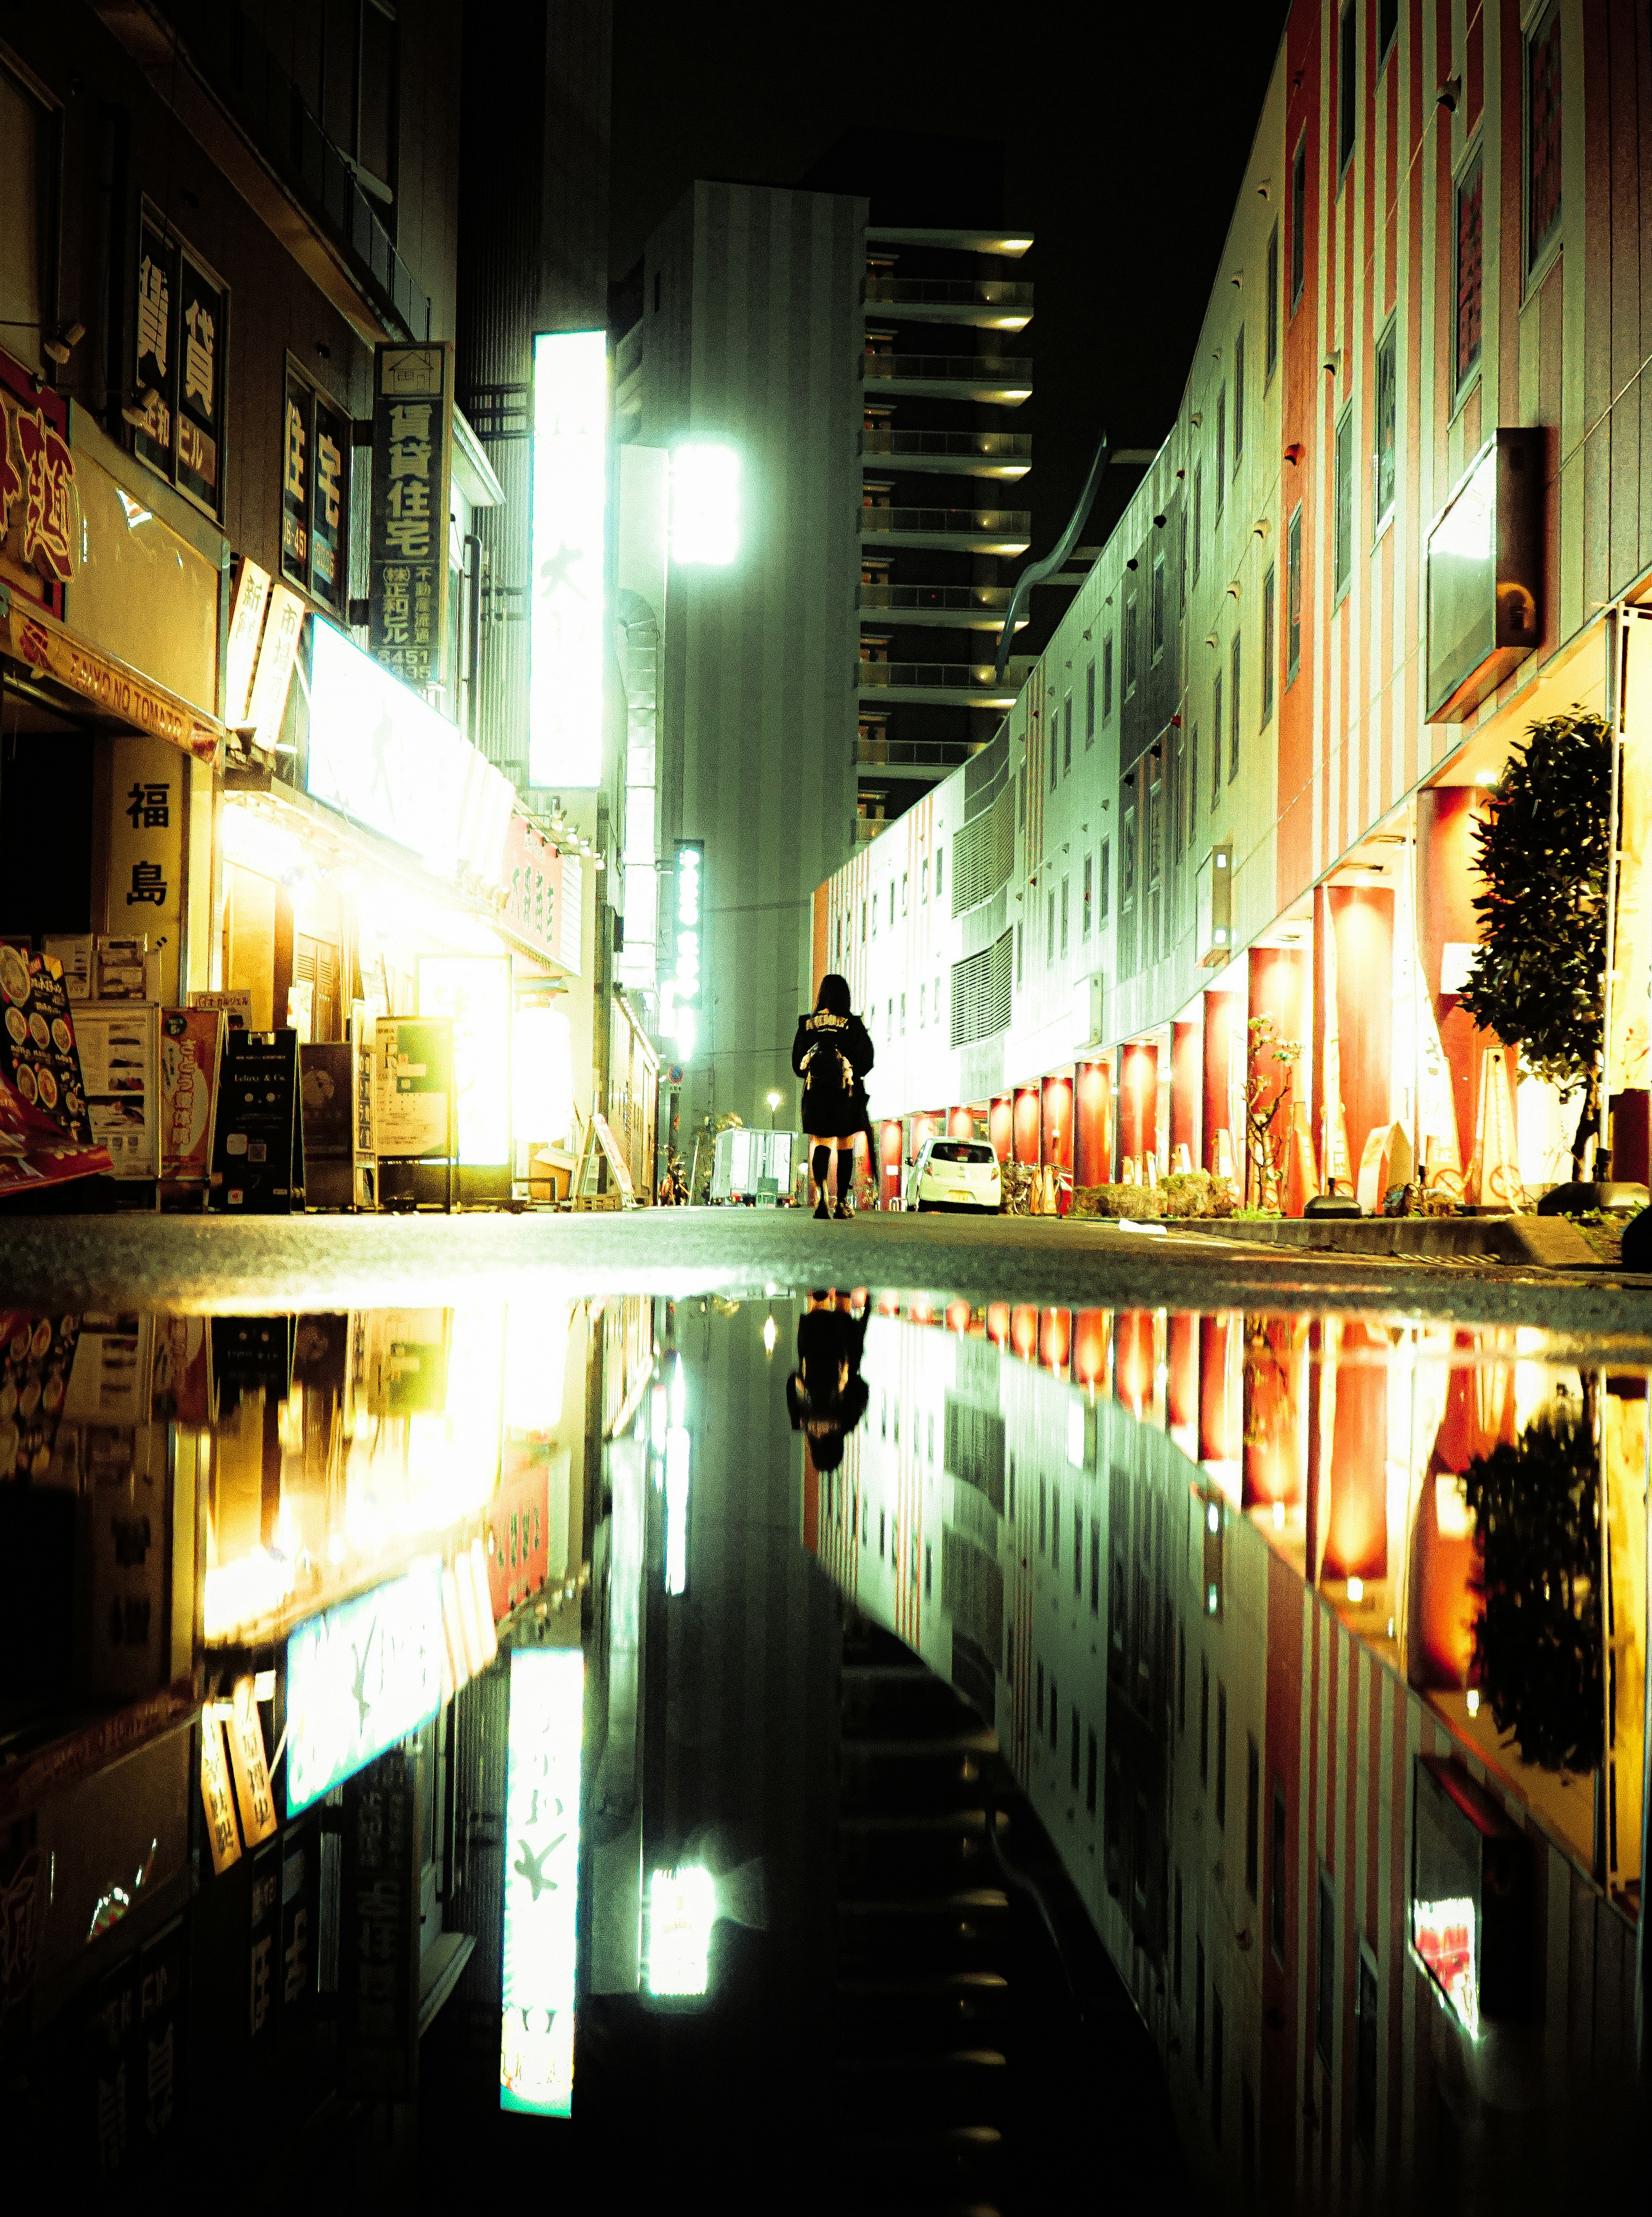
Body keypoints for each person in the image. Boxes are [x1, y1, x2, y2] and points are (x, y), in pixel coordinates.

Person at [792, 973, 874, 1220]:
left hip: (816, 1094)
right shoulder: (853, 1025)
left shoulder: (808, 1024)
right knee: (845, 1144)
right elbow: (867, 1060)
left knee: (823, 1142)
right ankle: (841, 1203)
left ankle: (822, 1197)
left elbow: (798, 1065)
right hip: (845, 1096)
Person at [785, 1289, 870, 1472]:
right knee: (819, 1303)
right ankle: (821, 1280)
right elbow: (792, 1384)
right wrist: (800, 1381)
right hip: (814, 1353)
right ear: (814, 1451)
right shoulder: (802, 1422)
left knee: (842, 1303)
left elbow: (862, 1390)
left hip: (842, 1356)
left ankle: (842, 1278)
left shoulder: (845, 1423)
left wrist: (846, 1383)